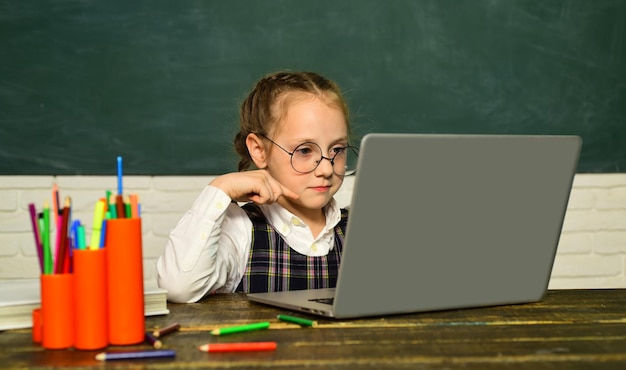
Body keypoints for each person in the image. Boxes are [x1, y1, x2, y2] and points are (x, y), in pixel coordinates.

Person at [156, 71, 358, 303]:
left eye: (337, 150)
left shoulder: (359, 228)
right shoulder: (241, 230)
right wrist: (221, 187)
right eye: (304, 150)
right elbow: (178, 288)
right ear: (259, 151)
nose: (326, 169)